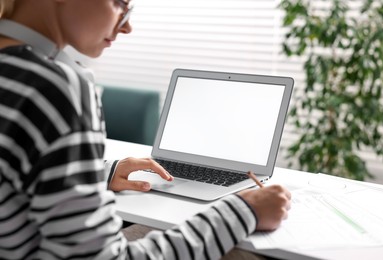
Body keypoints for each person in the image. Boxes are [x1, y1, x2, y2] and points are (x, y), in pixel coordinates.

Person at [0, 0, 291, 259]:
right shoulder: (56, 89)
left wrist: (101, 173)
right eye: (119, 4)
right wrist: (243, 211)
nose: (127, 26)